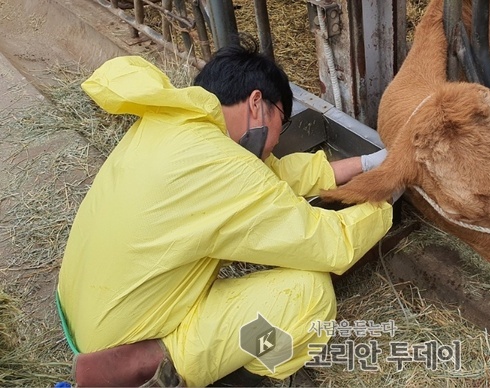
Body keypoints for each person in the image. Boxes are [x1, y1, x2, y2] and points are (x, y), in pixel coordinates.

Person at [56, 34, 396, 387]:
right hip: (118, 348)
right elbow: (329, 244)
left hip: (87, 312)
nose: (279, 138)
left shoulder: (176, 125)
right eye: (284, 120)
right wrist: (384, 195)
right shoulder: (225, 168)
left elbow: (273, 175)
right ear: (256, 103)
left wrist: (370, 163)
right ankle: (244, 373)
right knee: (307, 295)